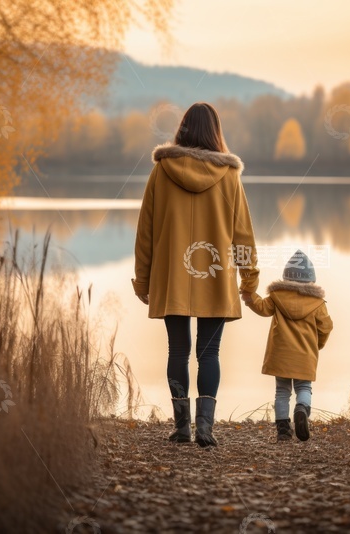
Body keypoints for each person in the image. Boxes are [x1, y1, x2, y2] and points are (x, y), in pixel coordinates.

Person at [132, 102, 259, 447]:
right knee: (209, 354)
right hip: (215, 279)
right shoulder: (230, 177)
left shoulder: (162, 171)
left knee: (177, 351)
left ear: (183, 129)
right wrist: (249, 280)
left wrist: (142, 279)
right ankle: (205, 429)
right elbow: (243, 235)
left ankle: (182, 428)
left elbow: (145, 231)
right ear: (216, 132)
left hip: (172, 276)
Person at [242, 250, 333, 441]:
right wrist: (317, 345)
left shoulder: (277, 296)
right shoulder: (317, 303)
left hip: (280, 355)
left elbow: (262, 308)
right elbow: (326, 327)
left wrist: (250, 298)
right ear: (311, 279)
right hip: (305, 356)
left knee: (282, 391)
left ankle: (283, 430)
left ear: (286, 276)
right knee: (304, 388)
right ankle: (301, 409)